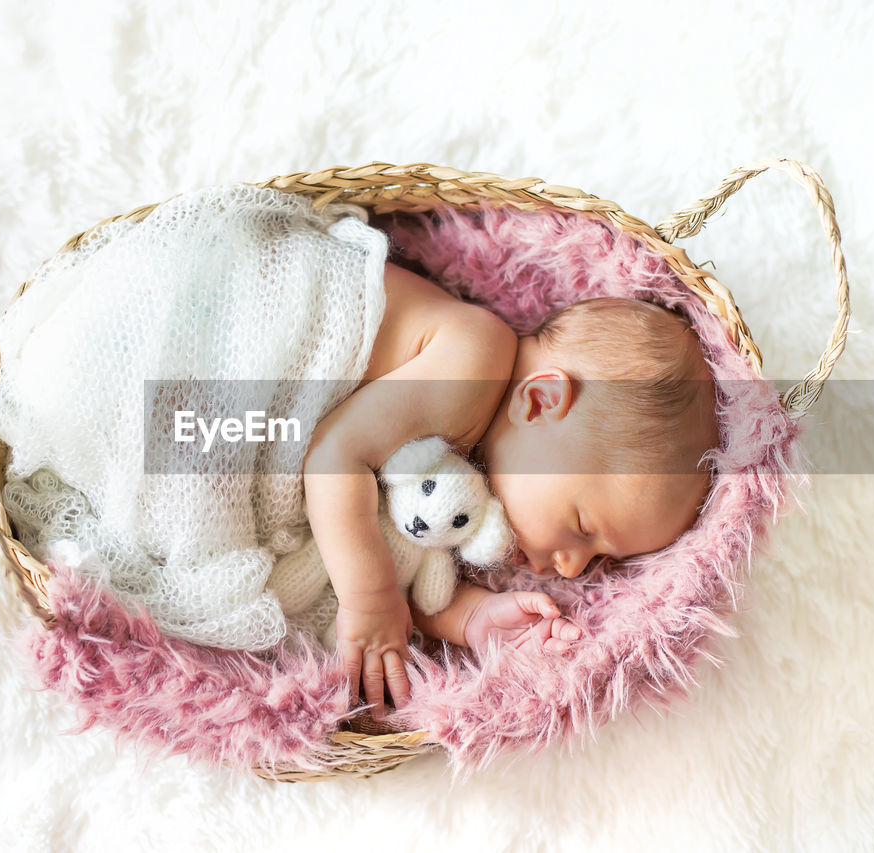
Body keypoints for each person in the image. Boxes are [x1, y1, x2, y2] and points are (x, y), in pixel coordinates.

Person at [303, 261, 720, 720]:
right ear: (540, 402)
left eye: (602, 560)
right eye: (583, 527)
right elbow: (332, 458)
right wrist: (371, 601)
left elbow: (392, 553)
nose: (573, 567)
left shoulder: (468, 487)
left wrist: (471, 619)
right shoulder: (475, 357)